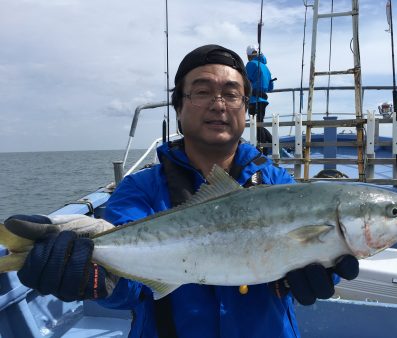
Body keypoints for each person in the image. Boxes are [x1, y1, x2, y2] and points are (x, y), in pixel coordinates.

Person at [5, 44, 359, 338]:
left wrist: (321, 267)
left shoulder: (278, 184)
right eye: (202, 92)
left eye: (231, 95)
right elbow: (130, 288)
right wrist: (97, 277)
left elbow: (303, 258)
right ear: (179, 108)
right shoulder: (140, 189)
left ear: (246, 112)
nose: (218, 104)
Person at [245, 44, 274, 153]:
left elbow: (244, 82)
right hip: (263, 100)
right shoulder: (266, 67)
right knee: (259, 124)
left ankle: (264, 149)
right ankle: (272, 143)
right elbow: (271, 87)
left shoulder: (250, 65)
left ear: (248, 55)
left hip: (254, 100)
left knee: (256, 126)